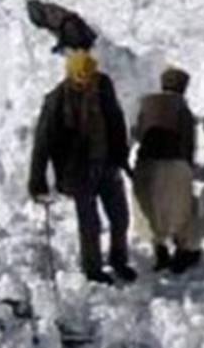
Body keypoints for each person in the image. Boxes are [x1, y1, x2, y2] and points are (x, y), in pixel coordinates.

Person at [28, 51, 136, 285]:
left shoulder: (104, 85)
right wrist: (37, 181)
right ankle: (92, 268)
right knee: (90, 224)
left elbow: (116, 119)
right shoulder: (57, 99)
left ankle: (119, 260)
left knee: (120, 217)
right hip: (78, 170)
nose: (87, 82)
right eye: (81, 78)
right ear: (71, 74)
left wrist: (122, 156)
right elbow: (43, 142)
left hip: (107, 164)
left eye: (90, 76)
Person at [131, 66, 202, 274]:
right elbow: (188, 143)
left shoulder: (146, 105)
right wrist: (188, 168)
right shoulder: (182, 109)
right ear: (183, 88)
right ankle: (185, 252)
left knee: (152, 209)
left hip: (145, 163)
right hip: (174, 163)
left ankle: (159, 250)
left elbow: (138, 133)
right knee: (183, 210)